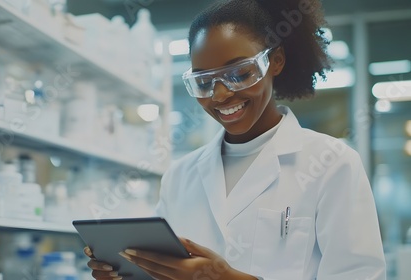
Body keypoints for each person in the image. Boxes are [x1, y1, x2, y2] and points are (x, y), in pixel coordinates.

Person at [85, 0, 387, 279]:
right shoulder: (180, 176)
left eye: (239, 73)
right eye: (204, 81)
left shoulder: (331, 163)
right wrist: (125, 273)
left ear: (275, 61)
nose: (220, 95)